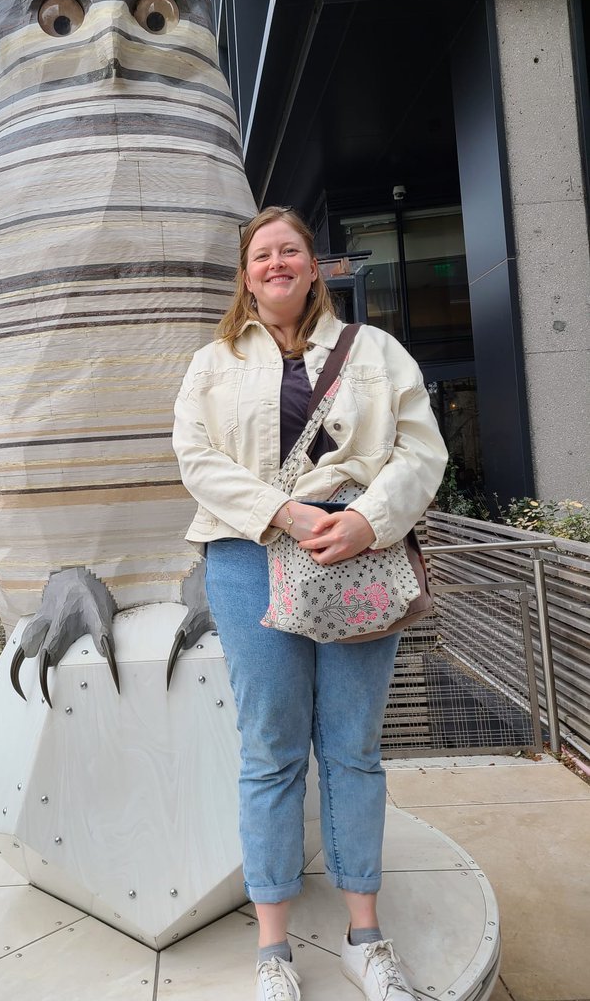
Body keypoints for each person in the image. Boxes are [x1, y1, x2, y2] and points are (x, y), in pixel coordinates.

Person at [172, 207, 448, 1001]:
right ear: (246, 274)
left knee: (354, 746)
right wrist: (282, 513)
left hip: (357, 553)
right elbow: (195, 457)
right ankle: (273, 950)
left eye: (289, 249)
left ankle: (366, 938)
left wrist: (369, 520)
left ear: (313, 266)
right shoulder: (212, 364)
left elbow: (421, 450)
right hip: (249, 556)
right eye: (262, 254)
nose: (276, 262)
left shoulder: (377, 352)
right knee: (271, 748)